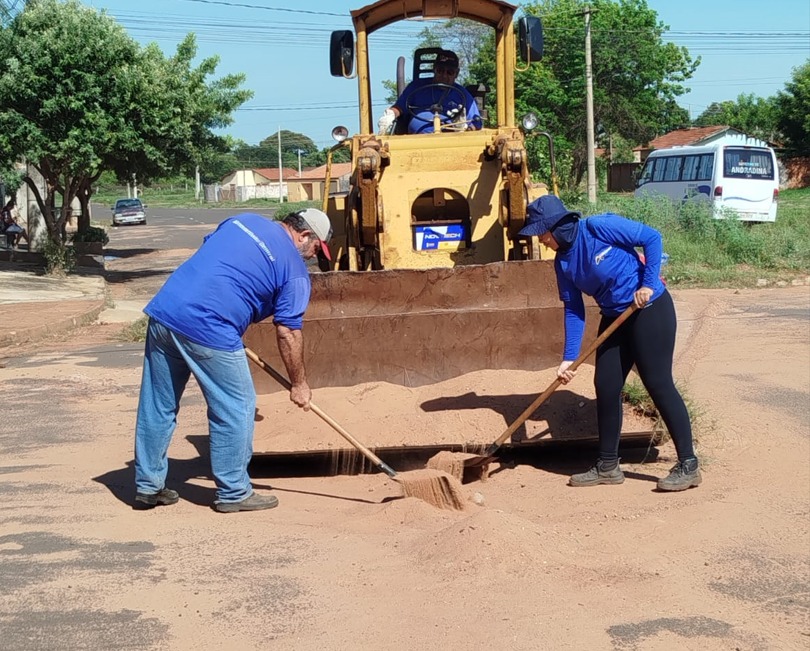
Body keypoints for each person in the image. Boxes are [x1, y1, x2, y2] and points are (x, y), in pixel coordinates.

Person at [134, 208, 333, 513]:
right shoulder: (294, 270)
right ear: (305, 235)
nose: (310, 258)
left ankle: (148, 487)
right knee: (236, 406)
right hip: (210, 326)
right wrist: (299, 384)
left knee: (158, 404)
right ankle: (234, 492)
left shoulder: (244, 220)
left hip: (166, 311)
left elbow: (217, 260)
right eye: (315, 250)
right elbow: (288, 331)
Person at [518, 195, 701, 492]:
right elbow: (574, 309)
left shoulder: (598, 227)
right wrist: (569, 358)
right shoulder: (562, 263)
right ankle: (607, 466)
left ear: (557, 226)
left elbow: (652, 238)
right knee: (606, 383)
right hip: (615, 316)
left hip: (648, 309)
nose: (541, 239)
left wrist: (648, 283)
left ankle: (689, 464)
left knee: (657, 382)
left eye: (543, 232)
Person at [377, 49, 482, 135]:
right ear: (434, 69)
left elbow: (476, 122)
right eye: (440, 70)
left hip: (451, 142)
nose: (444, 75)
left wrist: (463, 127)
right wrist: (390, 115)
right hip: (414, 142)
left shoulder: (462, 94)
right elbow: (399, 107)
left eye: (450, 72)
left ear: (456, 73)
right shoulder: (416, 87)